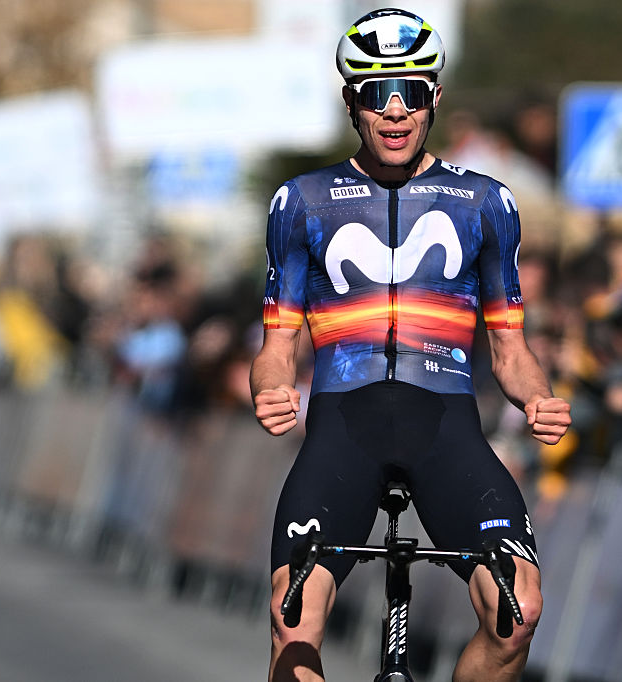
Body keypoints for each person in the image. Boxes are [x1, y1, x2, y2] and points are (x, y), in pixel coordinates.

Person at [249, 9, 571, 681]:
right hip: (344, 427)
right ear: (351, 103)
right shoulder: (302, 201)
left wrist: (539, 399)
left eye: (412, 93)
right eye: (376, 94)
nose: (394, 110)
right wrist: (271, 388)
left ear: (435, 98)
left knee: (519, 611)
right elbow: (278, 343)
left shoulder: (485, 202)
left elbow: (511, 351)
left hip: (445, 427)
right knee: (291, 617)